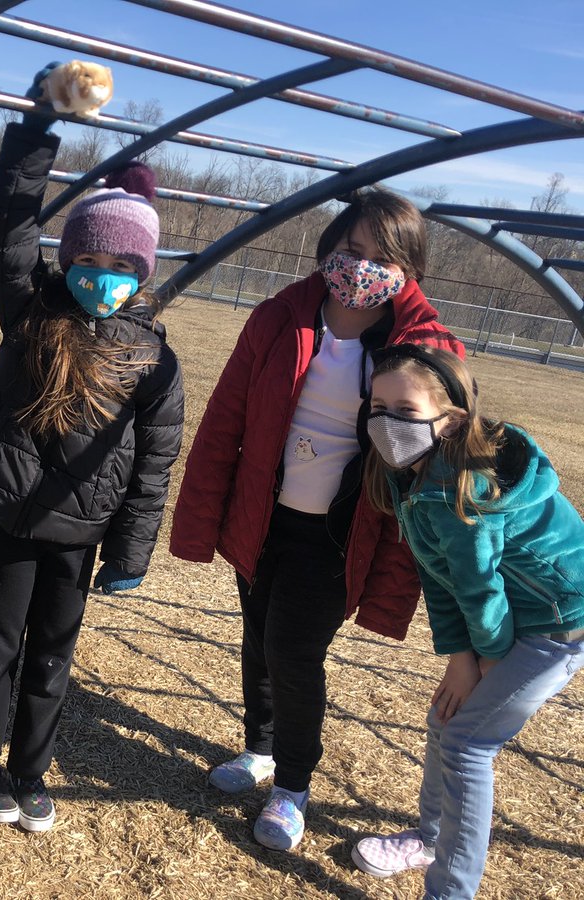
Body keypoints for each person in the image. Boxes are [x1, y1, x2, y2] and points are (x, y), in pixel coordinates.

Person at [169, 188, 463, 852]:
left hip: (341, 534)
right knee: (257, 637)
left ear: (407, 268)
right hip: (265, 514)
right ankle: (263, 747)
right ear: (327, 248)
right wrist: (203, 515)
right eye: (348, 250)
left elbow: (435, 459)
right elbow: (226, 422)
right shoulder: (280, 317)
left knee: (294, 652)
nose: (358, 266)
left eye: (379, 256)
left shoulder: (424, 345)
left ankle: (293, 785)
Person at [0, 64, 185, 834]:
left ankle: (30, 770)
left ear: (143, 276)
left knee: (53, 654)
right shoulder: (33, 311)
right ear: (71, 257)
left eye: (125, 269)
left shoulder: (153, 355)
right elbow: (8, 233)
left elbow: (154, 463)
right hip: (15, 520)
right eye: (91, 261)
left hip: (80, 531)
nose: (104, 279)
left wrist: (131, 551)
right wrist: (36, 127)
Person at [351, 344, 584, 898]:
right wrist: (460, 656)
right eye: (376, 406)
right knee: (447, 719)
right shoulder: (419, 476)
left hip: (557, 625)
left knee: (466, 745)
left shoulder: (463, 487)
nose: (385, 423)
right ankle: (429, 838)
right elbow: (441, 578)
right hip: (517, 617)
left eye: (406, 411)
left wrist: (482, 660)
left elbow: (481, 592)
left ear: (450, 420)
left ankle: (450, 890)